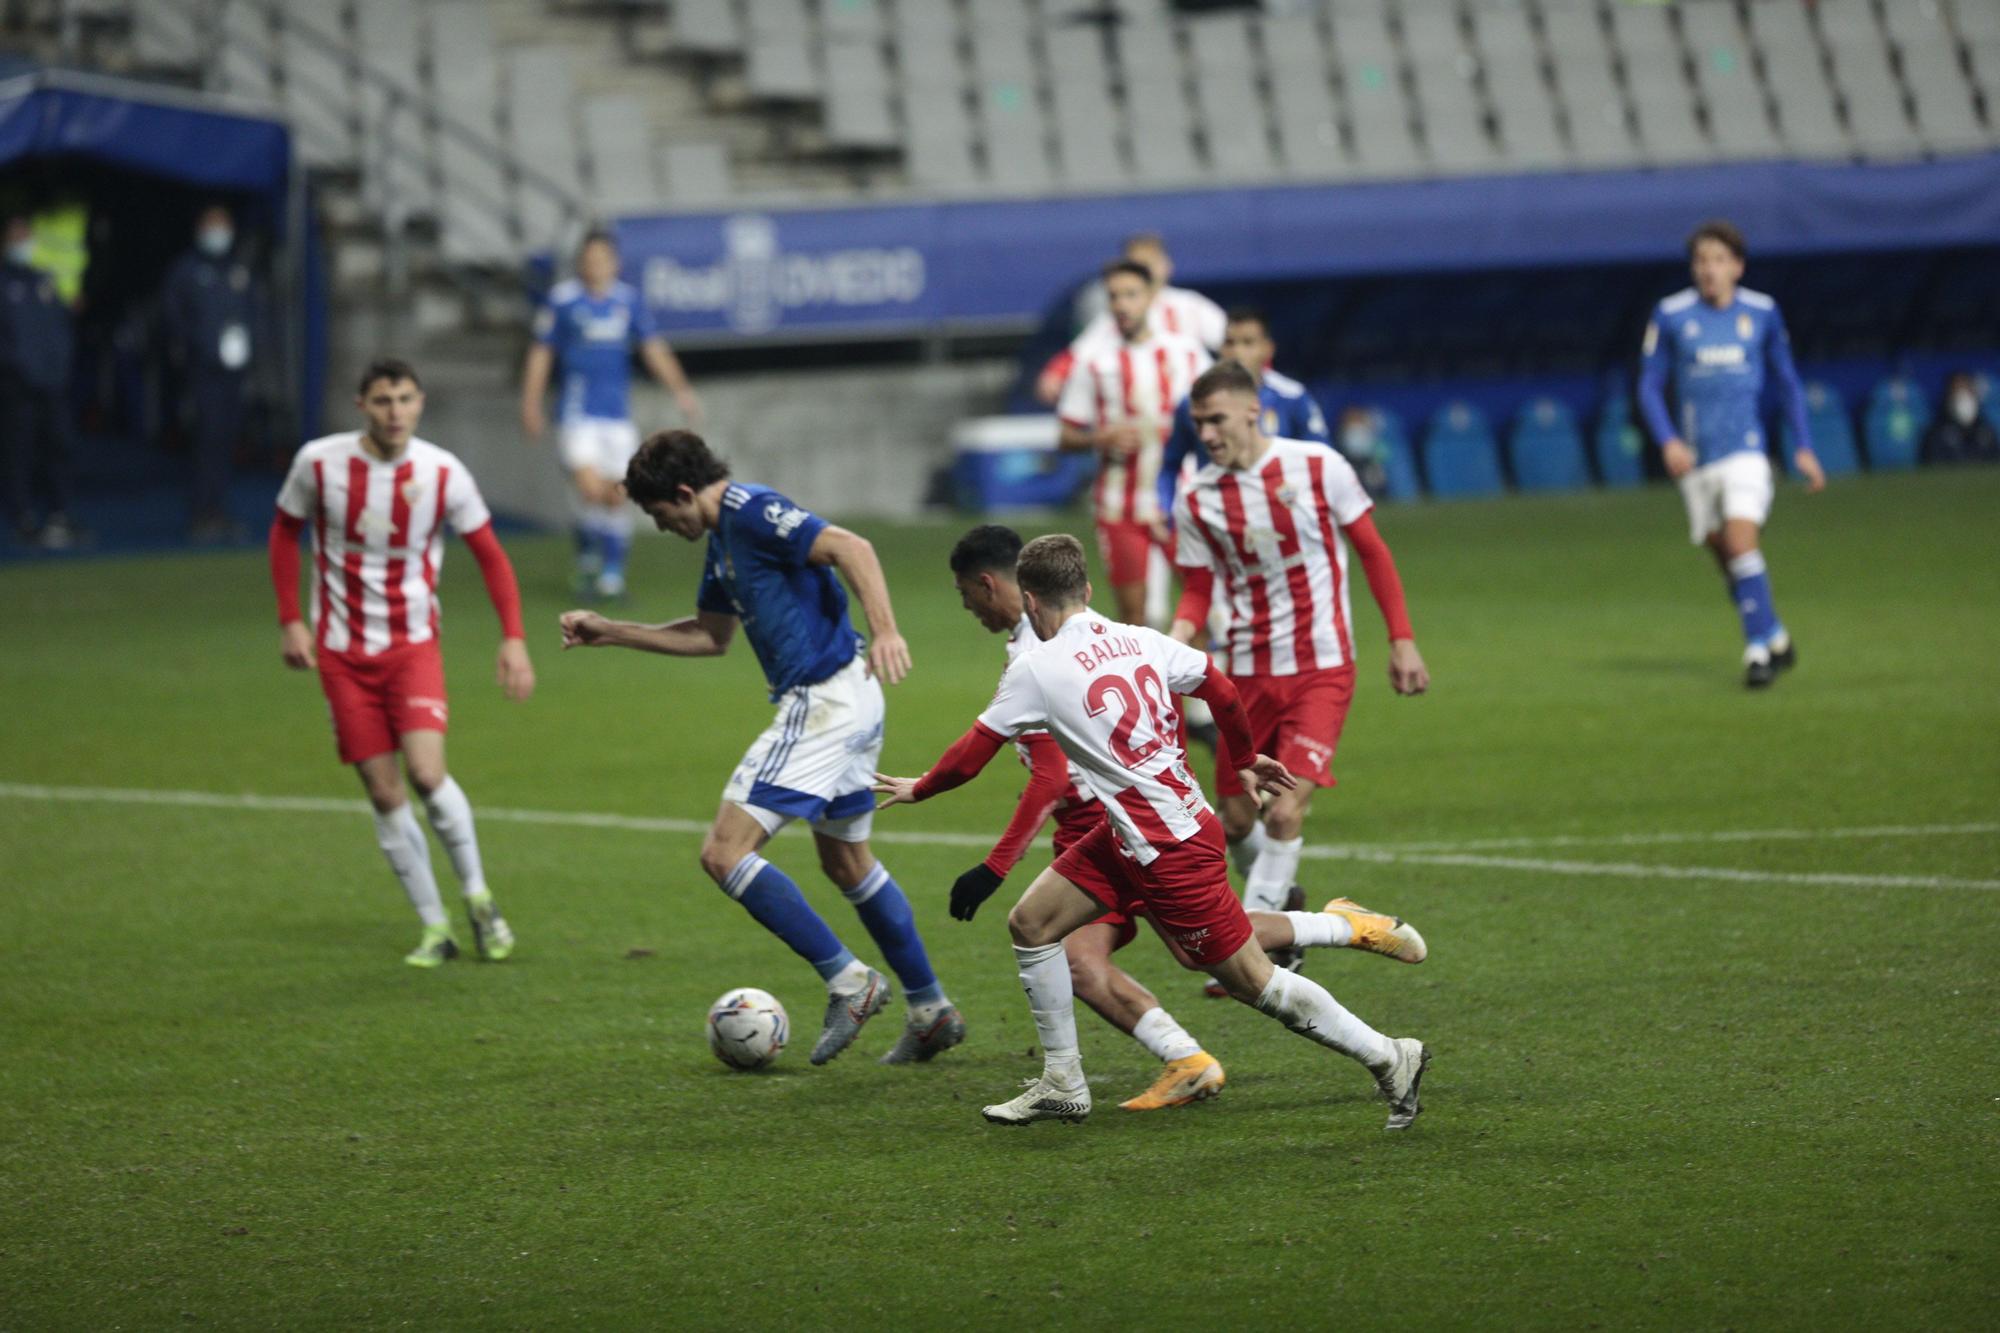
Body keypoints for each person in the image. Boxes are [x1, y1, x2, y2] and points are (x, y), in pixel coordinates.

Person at [876, 534, 1429, 1130]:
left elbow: (970, 754)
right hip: (1137, 828)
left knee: (1251, 981)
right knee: (1032, 923)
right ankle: (1062, 1080)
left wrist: (920, 787)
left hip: (1167, 848)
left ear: (1031, 602)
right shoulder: (1140, 639)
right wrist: (1243, 756)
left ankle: (1388, 1054)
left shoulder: (1034, 665)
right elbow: (1218, 687)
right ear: (1086, 589)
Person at [558, 431, 962, 1066]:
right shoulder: (722, 542)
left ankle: (850, 982)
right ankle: (931, 1010)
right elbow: (709, 636)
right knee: (848, 864)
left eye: (661, 514)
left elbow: (851, 546)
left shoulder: (750, 511)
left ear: (685, 493)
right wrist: (612, 631)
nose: (662, 528)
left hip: (823, 702)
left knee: (724, 854)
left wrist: (885, 629)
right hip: (849, 699)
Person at [1171, 361, 1431, 991]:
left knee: (1284, 812)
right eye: (1198, 422)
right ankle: (1284, 911)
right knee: (1234, 820)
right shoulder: (1196, 497)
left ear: (1253, 411)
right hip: (1243, 677)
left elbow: (1371, 549)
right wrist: (1171, 647)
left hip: (1321, 667)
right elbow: (1198, 591)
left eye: (1217, 419)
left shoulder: (1318, 466)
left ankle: (1254, 948)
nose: (1206, 433)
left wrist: (1402, 639)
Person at [268, 359, 536, 966]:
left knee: (425, 774)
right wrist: (291, 618)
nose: (396, 411)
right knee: (384, 792)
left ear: (420, 403)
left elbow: (491, 555)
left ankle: (478, 896)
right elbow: (284, 532)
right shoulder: (319, 463)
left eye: (406, 399)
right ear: (361, 405)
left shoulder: (443, 472)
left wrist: (513, 636)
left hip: (412, 646)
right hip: (341, 653)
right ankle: (434, 927)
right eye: (384, 400)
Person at [1638, 219, 1825, 689]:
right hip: (1695, 461)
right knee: (1726, 558)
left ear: (1738, 266)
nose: (1709, 269)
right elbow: (1648, 384)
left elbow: (1787, 383)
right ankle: (1775, 632)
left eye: (1719, 260)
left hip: (1746, 453)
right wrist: (1668, 440)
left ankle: (1757, 653)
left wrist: (1803, 447)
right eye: (1701, 260)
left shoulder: (1761, 313)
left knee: (1742, 544)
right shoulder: (1671, 314)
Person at [521, 230, 703, 600]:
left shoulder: (627, 301)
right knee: (590, 488)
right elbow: (542, 353)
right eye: (589, 258)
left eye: (603, 258)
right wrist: (531, 402)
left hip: (617, 416)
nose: (596, 265)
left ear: (614, 263)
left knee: (619, 493)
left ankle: (609, 575)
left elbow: (653, 348)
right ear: (580, 262)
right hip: (576, 414)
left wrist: (681, 391)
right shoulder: (563, 301)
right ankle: (590, 556)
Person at [1056, 260, 1211, 627]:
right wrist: (1099, 438)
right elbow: (1065, 435)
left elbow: (1218, 411)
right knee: (1134, 620)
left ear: (1151, 298)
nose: (1122, 305)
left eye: (1131, 295)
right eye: (1114, 297)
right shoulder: (1094, 362)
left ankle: (1207, 683)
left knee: (1199, 613)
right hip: (1119, 507)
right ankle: (1150, 687)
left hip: (1180, 502)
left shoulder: (1186, 353)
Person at [1158, 306, 1331, 520]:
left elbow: (1321, 458)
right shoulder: (1193, 402)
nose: (1237, 352)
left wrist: (1303, 504)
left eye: (1248, 343)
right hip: (1216, 518)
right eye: (1230, 343)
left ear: (1267, 349)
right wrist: (1164, 509)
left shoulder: (1292, 397)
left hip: (1280, 514)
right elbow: (1169, 463)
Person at [1034, 232, 1228, 406]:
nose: (1145, 270)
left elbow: (1232, 341)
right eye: (1136, 264)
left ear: (1166, 266)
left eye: (1150, 262)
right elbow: (1080, 353)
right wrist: (1054, 374)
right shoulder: (1115, 316)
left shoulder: (1190, 306)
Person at [162, 204, 259, 543]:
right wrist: (196, 348)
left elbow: (251, 313)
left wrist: (249, 347)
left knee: (225, 441)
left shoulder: (237, 270)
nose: (219, 233)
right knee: (205, 440)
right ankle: (201, 513)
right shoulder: (186, 271)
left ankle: (218, 511)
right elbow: (174, 318)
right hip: (203, 371)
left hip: (234, 372)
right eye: (212, 225)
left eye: (224, 225)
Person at [0, 215, 79, 549]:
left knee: (59, 446)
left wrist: (60, 366)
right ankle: (23, 517)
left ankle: (59, 515)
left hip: (53, 383)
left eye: (27, 235)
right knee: (19, 451)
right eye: (17, 236)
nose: (24, 243)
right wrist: (16, 368)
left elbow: (61, 330)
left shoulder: (44, 280)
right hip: (17, 385)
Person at [1920, 372, 2000, 465]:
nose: (1963, 397)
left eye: (1967, 389)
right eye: (1957, 390)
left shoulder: (1986, 431)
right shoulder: (1935, 432)